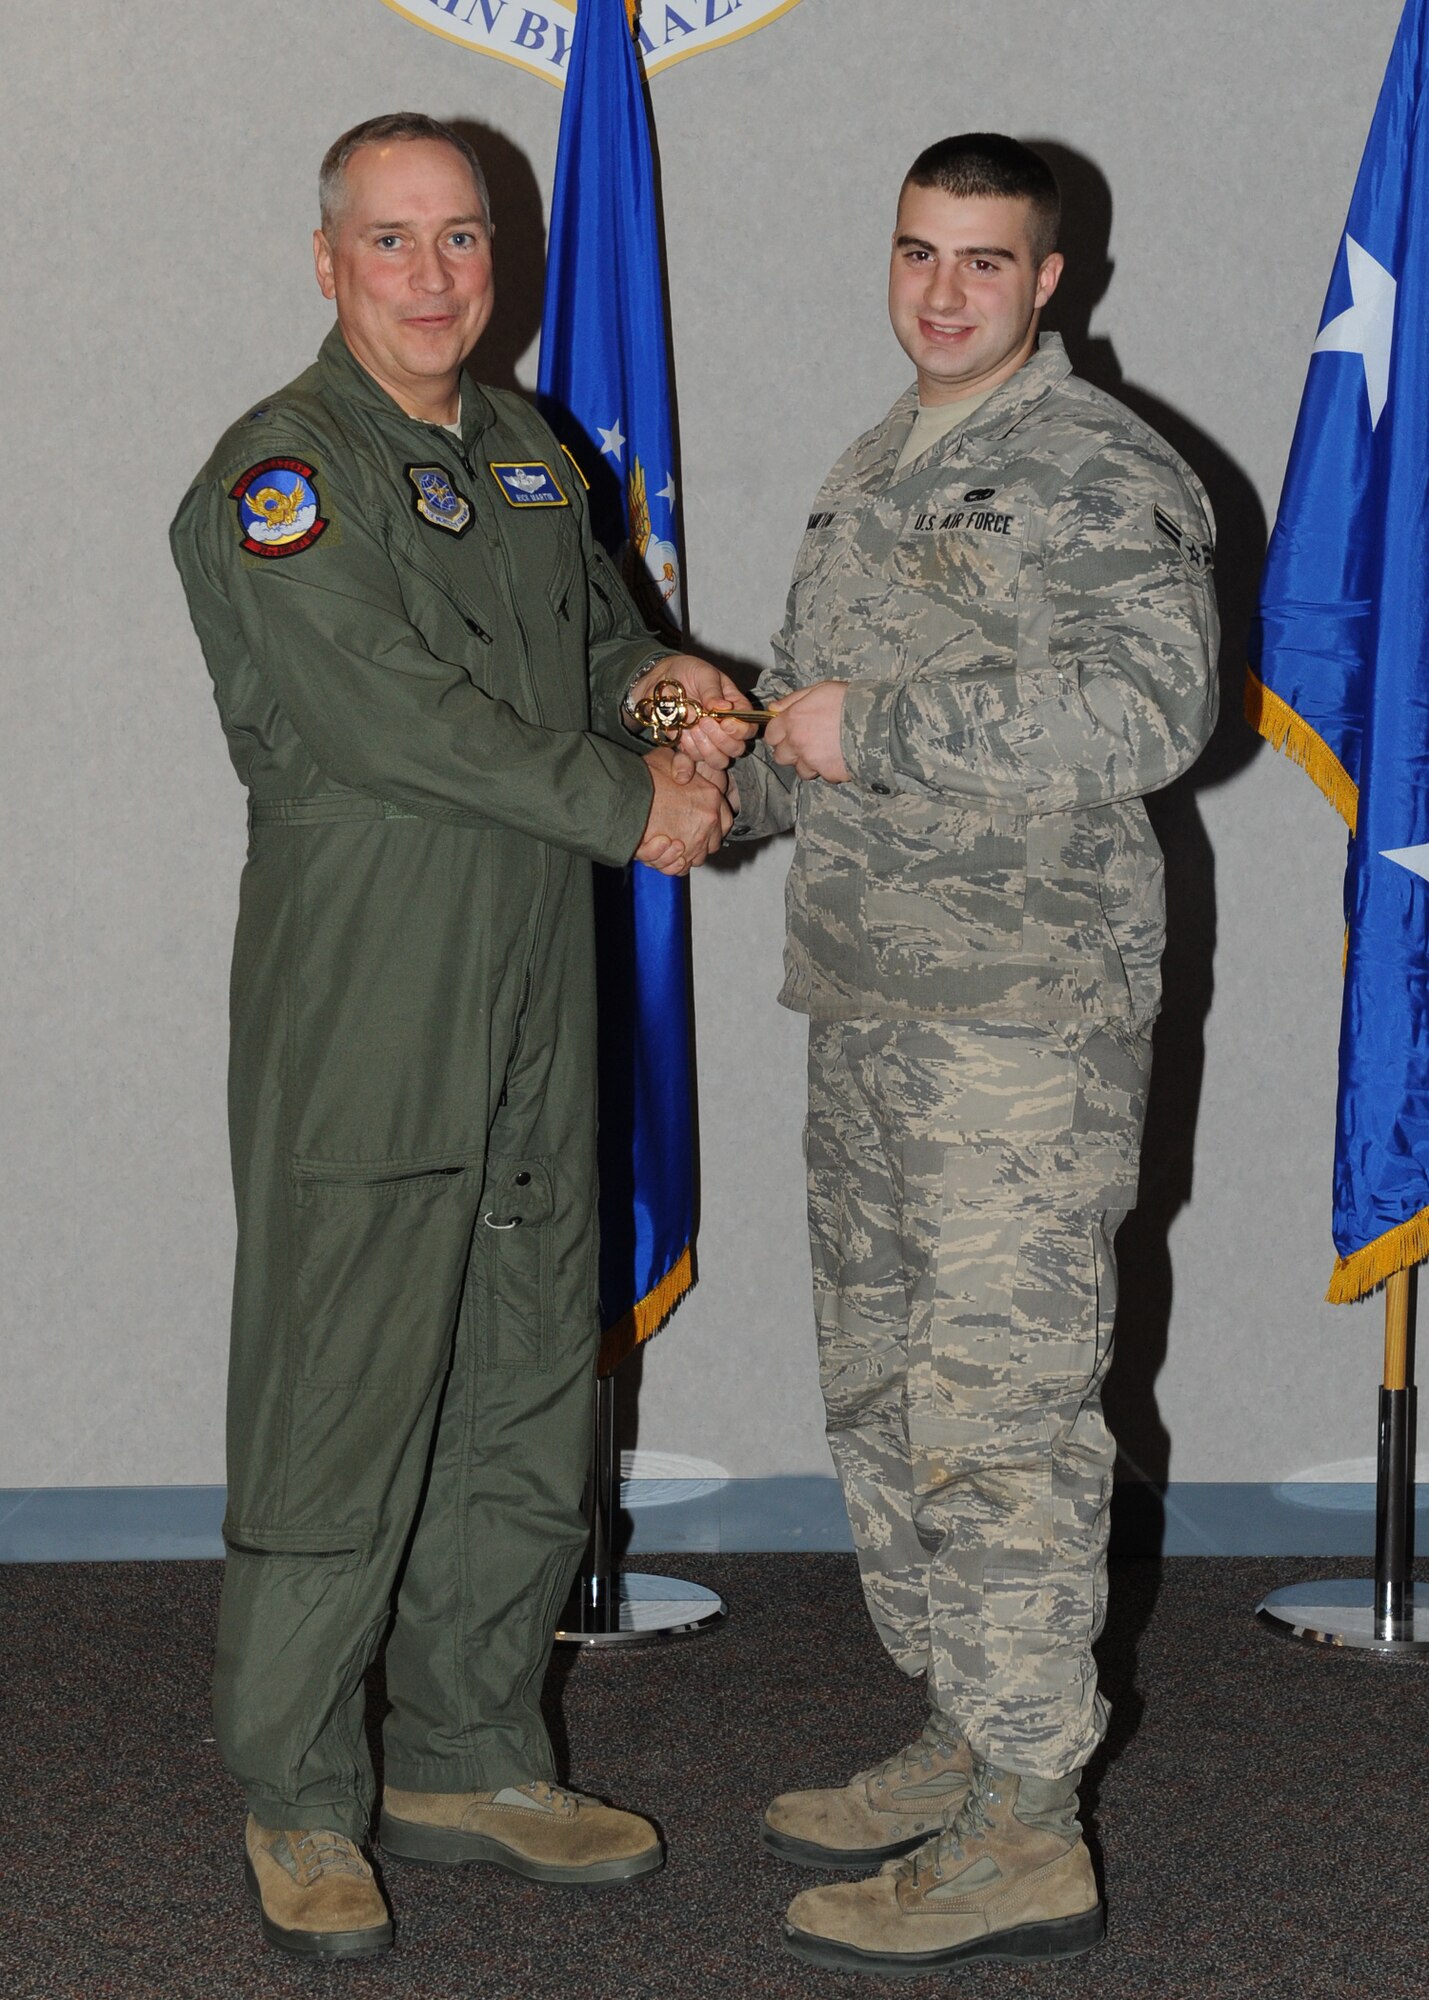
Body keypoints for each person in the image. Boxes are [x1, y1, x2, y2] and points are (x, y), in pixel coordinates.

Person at [170, 112, 747, 1961]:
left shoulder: (520, 450)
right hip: (376, 978)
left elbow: (584, 645)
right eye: (394, 240)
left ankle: (470, 1747)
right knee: (343, 1390)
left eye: (464, 239)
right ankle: (300, 1791)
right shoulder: (284, 473)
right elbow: (390, 718)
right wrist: (629, 797)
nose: (434, 277)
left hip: (528, 970)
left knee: (519, 1369)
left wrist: (660, 683)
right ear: (325, 258)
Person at [726, 134, 1218, 1976]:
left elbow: (1152, 705)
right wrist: (730, 770)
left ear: (1050, 282)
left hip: (1015, 1024)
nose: (942, 292)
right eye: (918, 254)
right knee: (880, 1395)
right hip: (866, 999)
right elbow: (815, 713)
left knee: (1000, 1419)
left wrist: (882, 727)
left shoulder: (1094, 464)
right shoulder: (883, 462)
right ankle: (962, 1721)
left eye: (984, 263)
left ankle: (1026, 1824)